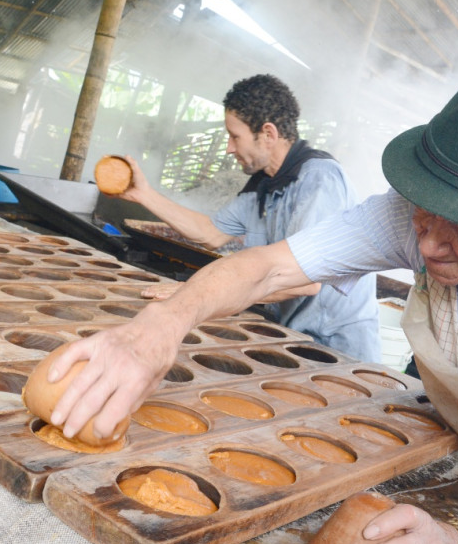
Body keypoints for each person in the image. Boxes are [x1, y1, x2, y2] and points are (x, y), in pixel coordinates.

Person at [46, 61, 458, 544]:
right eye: (424, 212)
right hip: (437, 443)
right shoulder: (406, 213)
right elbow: (265, 269)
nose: (427, 243)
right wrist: (162, 323)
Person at [112, 73, 380, 362]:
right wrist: (143, 194)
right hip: (292, 338)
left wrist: (200, 294)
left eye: (235, 136)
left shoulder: (319, 180)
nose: (229, 147)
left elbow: (306, 280)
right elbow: (210, 232)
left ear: (268, 134)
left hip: (337, 349)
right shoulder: (262, 186)